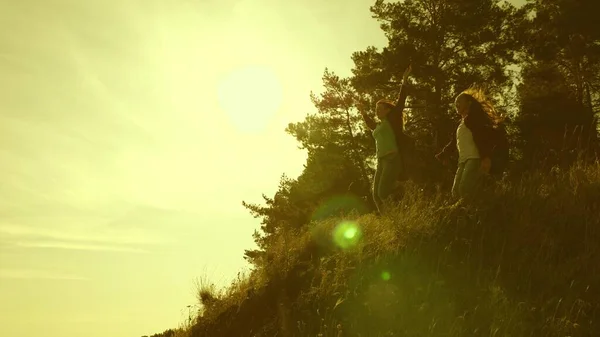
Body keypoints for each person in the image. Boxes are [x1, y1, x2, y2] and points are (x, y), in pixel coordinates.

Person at [358, 65, 412, 213]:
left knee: (383, 193)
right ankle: (389, 219)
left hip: (392, 158)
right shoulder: (380, 125)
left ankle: (400, 196)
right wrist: (363, 113)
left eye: (380, 108)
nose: (377, 111)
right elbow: (371, 125)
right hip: (381, 161)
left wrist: (404, 81)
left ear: (388, 110)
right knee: (376, 195)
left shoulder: (392, 120)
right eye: (376, 109)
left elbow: (400, 102)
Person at [435, 87, 504, 202]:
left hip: (474, 158)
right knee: (456, 192)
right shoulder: (461, 123)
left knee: (464, 189)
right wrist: (443, 154)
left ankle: (475, 210)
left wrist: (485, 157)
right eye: (455, 103)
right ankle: (466, 211)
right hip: (463, 161)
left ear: (469, 103)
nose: (456, 104)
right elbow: (454, 142)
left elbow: (481, 138)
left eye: (459, 101)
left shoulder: (473, 119)